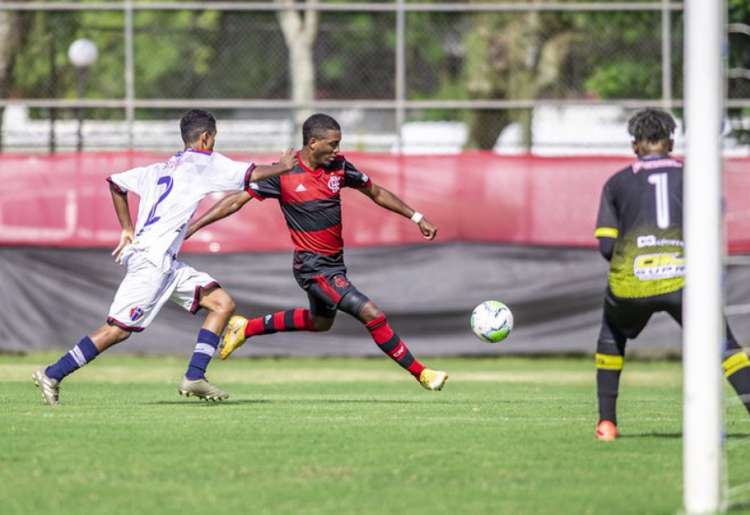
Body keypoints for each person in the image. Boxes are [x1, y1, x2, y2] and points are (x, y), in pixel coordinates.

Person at [33, 109, 297, 405]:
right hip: (152, 264)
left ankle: (194, 376)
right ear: (206, 137)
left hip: (164, 262)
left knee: (222, 304)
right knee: (117, 331)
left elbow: (116, 183)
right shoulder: (203, 164)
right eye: (214, 138)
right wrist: (283, 167)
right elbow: (252, 174)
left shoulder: (161, 168)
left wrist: (126, 229)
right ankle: (53, 373)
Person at [185, 113, 448, 391]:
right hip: (313, 267)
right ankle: (422, 373)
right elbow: (235, 201)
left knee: (320, 322)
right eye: (333, 144)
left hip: (334, 264)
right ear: (312, 143)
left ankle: (246, 328)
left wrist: (417, 217)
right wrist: (194, 226)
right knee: (371, 313)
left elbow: (376, 192)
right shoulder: (284, 173)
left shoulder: (339, 167)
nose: (338, 150)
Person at [593, 108, 750, 442]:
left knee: (611, 335)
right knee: (724, 345)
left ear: (635, 144)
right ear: (671, 141)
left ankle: (607, 424)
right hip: (685, 280)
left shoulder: (616, 183)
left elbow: (606, 247)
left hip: (632, 281)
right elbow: (712, 226)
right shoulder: (696, 176)